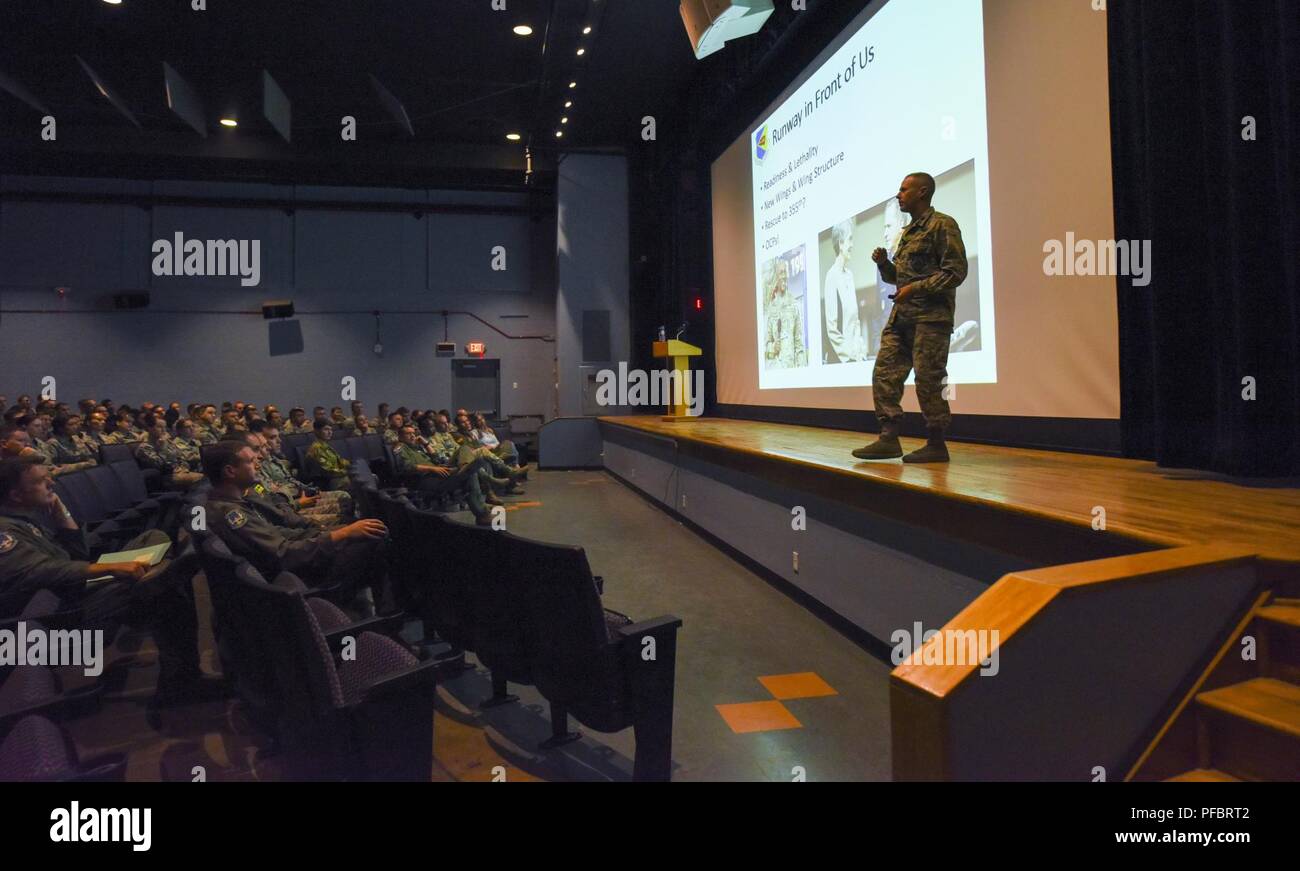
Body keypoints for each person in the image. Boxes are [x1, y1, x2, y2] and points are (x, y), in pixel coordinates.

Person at [0, 456, 205, 703]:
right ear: (16, 495)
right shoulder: (5, 533)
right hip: (57, 618)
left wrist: (62, 514)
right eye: (42, 481)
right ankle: (182, 684)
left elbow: (78, 556)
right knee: (166, 593)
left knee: (152, 536)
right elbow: (41, 571)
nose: (51, 483)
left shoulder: (26, 519)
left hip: (73, 594)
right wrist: (111, 568)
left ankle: (157, 575)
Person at [853, 172, 968, 463]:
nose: (898, 194)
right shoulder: (907, 233)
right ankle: (888, 438)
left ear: (923, 192)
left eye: (904, 189)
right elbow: (899, 279)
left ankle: (936, 443)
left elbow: (956, 272)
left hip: (930, 319)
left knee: (929, 379)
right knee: (884, 374)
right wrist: (883, 265)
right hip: (901, 318)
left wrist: (916, 288)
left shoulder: (942, 224)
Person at [201, 442, 387, 605]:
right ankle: (379, 615)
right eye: (250, 461)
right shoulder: (231, 514)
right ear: (230, 471)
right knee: (374, 539)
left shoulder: (235, 502)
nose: (257, 465)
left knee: (362, 531)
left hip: (292, 564)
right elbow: (285, 555)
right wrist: (340, 535)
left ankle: (365, 607)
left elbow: (277, 532)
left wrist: (330, 532)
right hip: (292, 577)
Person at [391, 426, 496, 525]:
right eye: (408, 434)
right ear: (400, 436)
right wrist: (433, 468)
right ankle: (482, 512)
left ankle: (465, 469)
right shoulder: (401, 447)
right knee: (471, 471)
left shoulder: (417, 447)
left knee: (465, 449)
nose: (413, 436)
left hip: (440, 471)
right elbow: (406, 467)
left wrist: (426, 444)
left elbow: (437, 459)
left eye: (413, 433)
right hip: (426, 478)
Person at [256, 424, 352, 526]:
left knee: (344, 498)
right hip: (291, 507)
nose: (279, 441)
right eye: (272, 438)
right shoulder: (258, 469)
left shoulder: (275, 460)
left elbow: (288, 482)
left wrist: (307, 489)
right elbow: (273, 497)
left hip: (297, 497)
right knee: (343, 514)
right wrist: (297, 501)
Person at [824, 220, 868, 363]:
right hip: (841, 359)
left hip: (856, 357)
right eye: (850, 239)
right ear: (841, 244)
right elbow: (832, 328)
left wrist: (860, 350)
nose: (852, 245)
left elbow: (855, 321)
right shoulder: (831, 276)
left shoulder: (849, 275)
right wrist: (849, 357)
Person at [136, 416, 203, 489]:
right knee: (203, 479)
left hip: (181, 471)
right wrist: (161, 448)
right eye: (159, 427)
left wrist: (184, 467)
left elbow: (180, 456)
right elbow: (159, 464)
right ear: (149, 428)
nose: (164, 430)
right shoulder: (145, 447)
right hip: (167, 476)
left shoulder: (167, 442)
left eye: (165, 427)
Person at [763, 259, 807, 369]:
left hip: (792, 372)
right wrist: (773, 347)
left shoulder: (794, 304)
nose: (784, 276)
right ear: (775, 278)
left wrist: (803, 370)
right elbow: (765, 346)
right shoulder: (770, 308)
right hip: (776, 372)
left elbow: (799, 345)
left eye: (785, 272)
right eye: (781, 273)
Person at [305, 419, 352, 491]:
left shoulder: (325, 445)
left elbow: (339, 461)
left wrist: (351, 465)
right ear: (317, 431)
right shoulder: (316, 449)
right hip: (329, 482)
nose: (330, 432)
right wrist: (347, 471)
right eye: (326, 429)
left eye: (331, 430)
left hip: (338, 477)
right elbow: (329, 471)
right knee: (358, 481)